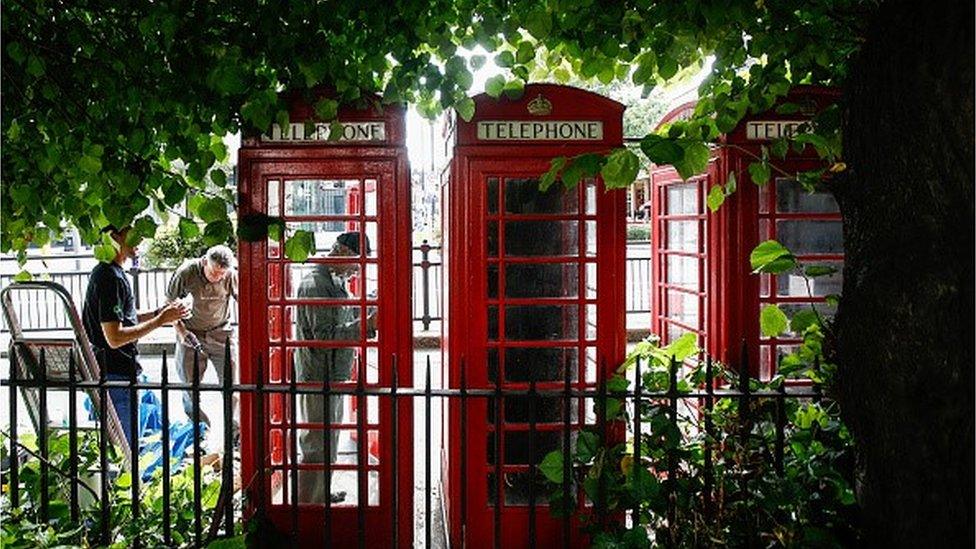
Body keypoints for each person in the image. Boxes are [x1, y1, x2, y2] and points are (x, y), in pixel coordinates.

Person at [82, 226, 189, 447]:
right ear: (114, 236)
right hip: (115, 375)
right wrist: (160, 321)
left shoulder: (110, 273)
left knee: (114, 451)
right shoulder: (109, 277)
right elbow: (115, 337)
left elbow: (123, 319)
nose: (140, 236)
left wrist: (160, 313)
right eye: (131, 232)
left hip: (112, 372)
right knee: (124, 453)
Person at [294, 231, 374, 504]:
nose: (357, 270)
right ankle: (308, 507)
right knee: (316, 445)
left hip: (333, 374)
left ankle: (321, 494)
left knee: (329, 441)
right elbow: (324, 338)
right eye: (356, 262)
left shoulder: (334, 281)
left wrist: (367, 310)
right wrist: (367, 325)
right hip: (318, 375)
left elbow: (343, 317)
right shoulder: (316, 284)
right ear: (340, 252)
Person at [164, 245, 238, 434]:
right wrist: (180, 331)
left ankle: (235, 433)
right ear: (205, 261)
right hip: (191, 333)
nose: (218, 277)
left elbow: (245, 301)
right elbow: (169, 303)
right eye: (214, 273)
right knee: (190, 387)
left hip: (222, 333)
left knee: (232, 386)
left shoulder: (230, 275)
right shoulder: (187, 272)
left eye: (222, 274)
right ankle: (199, 431)